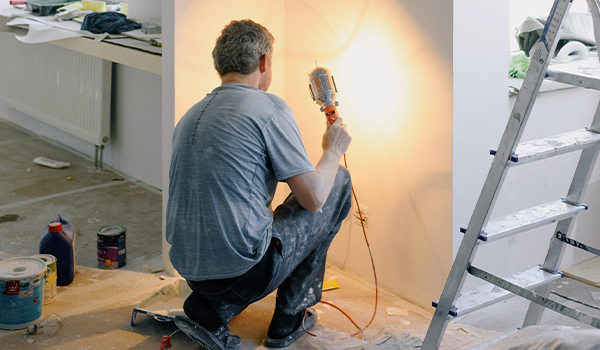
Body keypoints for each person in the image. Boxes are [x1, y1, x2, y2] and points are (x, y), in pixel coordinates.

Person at [166, 19, 352, 350]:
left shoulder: (190, 115)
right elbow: (315, 198)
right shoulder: (268, 107)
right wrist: (332, 151)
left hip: (191, 271)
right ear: (264, 61)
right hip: (243, 274)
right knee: (337, 182)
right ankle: (289, 319)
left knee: (257, 224)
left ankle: (210, 306)